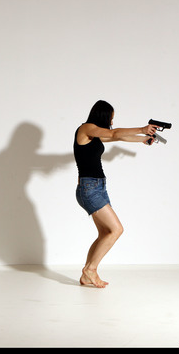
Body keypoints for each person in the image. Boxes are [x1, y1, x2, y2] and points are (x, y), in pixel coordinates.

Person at [74, 100, 158, 288]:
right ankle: (90, 270)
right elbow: (114, 133)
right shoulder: (87, 128)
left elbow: (117, 138)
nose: (111, 121)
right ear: (103, 115)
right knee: (116, 229)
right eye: (111, 118)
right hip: (89, 189)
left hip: (98, 187)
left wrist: (143, 138)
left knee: (105, 232)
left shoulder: (94, 135)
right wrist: (143, 128)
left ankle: (88, 273)